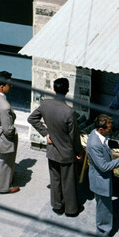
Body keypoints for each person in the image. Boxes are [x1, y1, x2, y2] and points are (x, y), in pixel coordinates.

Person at [28, 78, 84, 216]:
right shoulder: (69, 112)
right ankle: (71, 209)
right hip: (66, 153)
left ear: (54, 89)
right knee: (68, 182)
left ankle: (57, 205)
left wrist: (45, 133)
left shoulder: (45, 104)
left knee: (55, 180)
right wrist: (79, 151)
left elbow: (32, 119)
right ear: (67, 90)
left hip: (52, 151)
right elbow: (74, 136)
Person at [86, 114, 119, 237]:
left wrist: (116, 143)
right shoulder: (94, 144)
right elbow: (104, 167)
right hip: (100, 180)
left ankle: (107, 222)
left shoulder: (97, 134)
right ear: (101, 129)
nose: (110, 131)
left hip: (102, 179)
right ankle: (103, 233)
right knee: (103, 206)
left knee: (105, 204)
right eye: (109, 129)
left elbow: (106, 141)